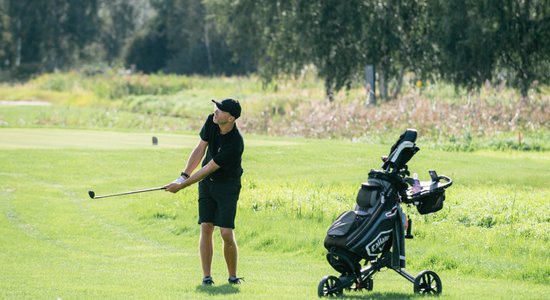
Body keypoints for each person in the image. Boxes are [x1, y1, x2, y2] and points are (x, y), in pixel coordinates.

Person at [164, 99, 244, 286]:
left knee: (225, 232)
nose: (215, 111)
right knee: (206, 226)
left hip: (228, 186)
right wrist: (183, 176)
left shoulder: (235, 144)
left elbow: (208, 168)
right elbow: (201, 148)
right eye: (216, 108)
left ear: (231, 118)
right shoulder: (212, 120)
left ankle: (232, 277)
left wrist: (181, 187)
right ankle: (206, 277)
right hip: (208, 184)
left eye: (221, 110)